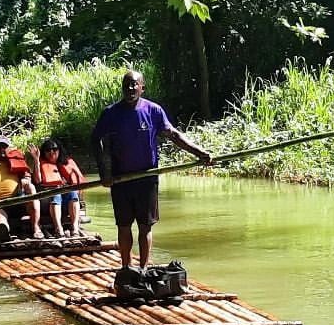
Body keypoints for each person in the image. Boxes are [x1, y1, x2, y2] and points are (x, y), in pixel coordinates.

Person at [91, 69, 212, 269]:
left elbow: (174, 135)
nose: (130, 88)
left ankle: (144, 268)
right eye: (127, 84)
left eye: (134, 84)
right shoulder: (110, 113)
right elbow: (96, 139)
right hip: (121, 179)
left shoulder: (153, 111)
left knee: (145, 226)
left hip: (147, 178)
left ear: (142, 88)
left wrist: (199, 153)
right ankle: (126, 267)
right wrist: (105, 171)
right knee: (123, 225)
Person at [28, 138, 86, 237]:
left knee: (73, 194)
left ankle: (75, 228)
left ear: (59, 150)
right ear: (44, 152)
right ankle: (58, 228)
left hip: (66, 204)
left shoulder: (66, 163)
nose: (51, 152)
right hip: (47, 203)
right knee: (56, 195)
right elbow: (37, 180)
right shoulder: (40, 163)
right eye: (48, 150)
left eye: (54, 149)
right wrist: (36, 160)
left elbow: (78, 185)